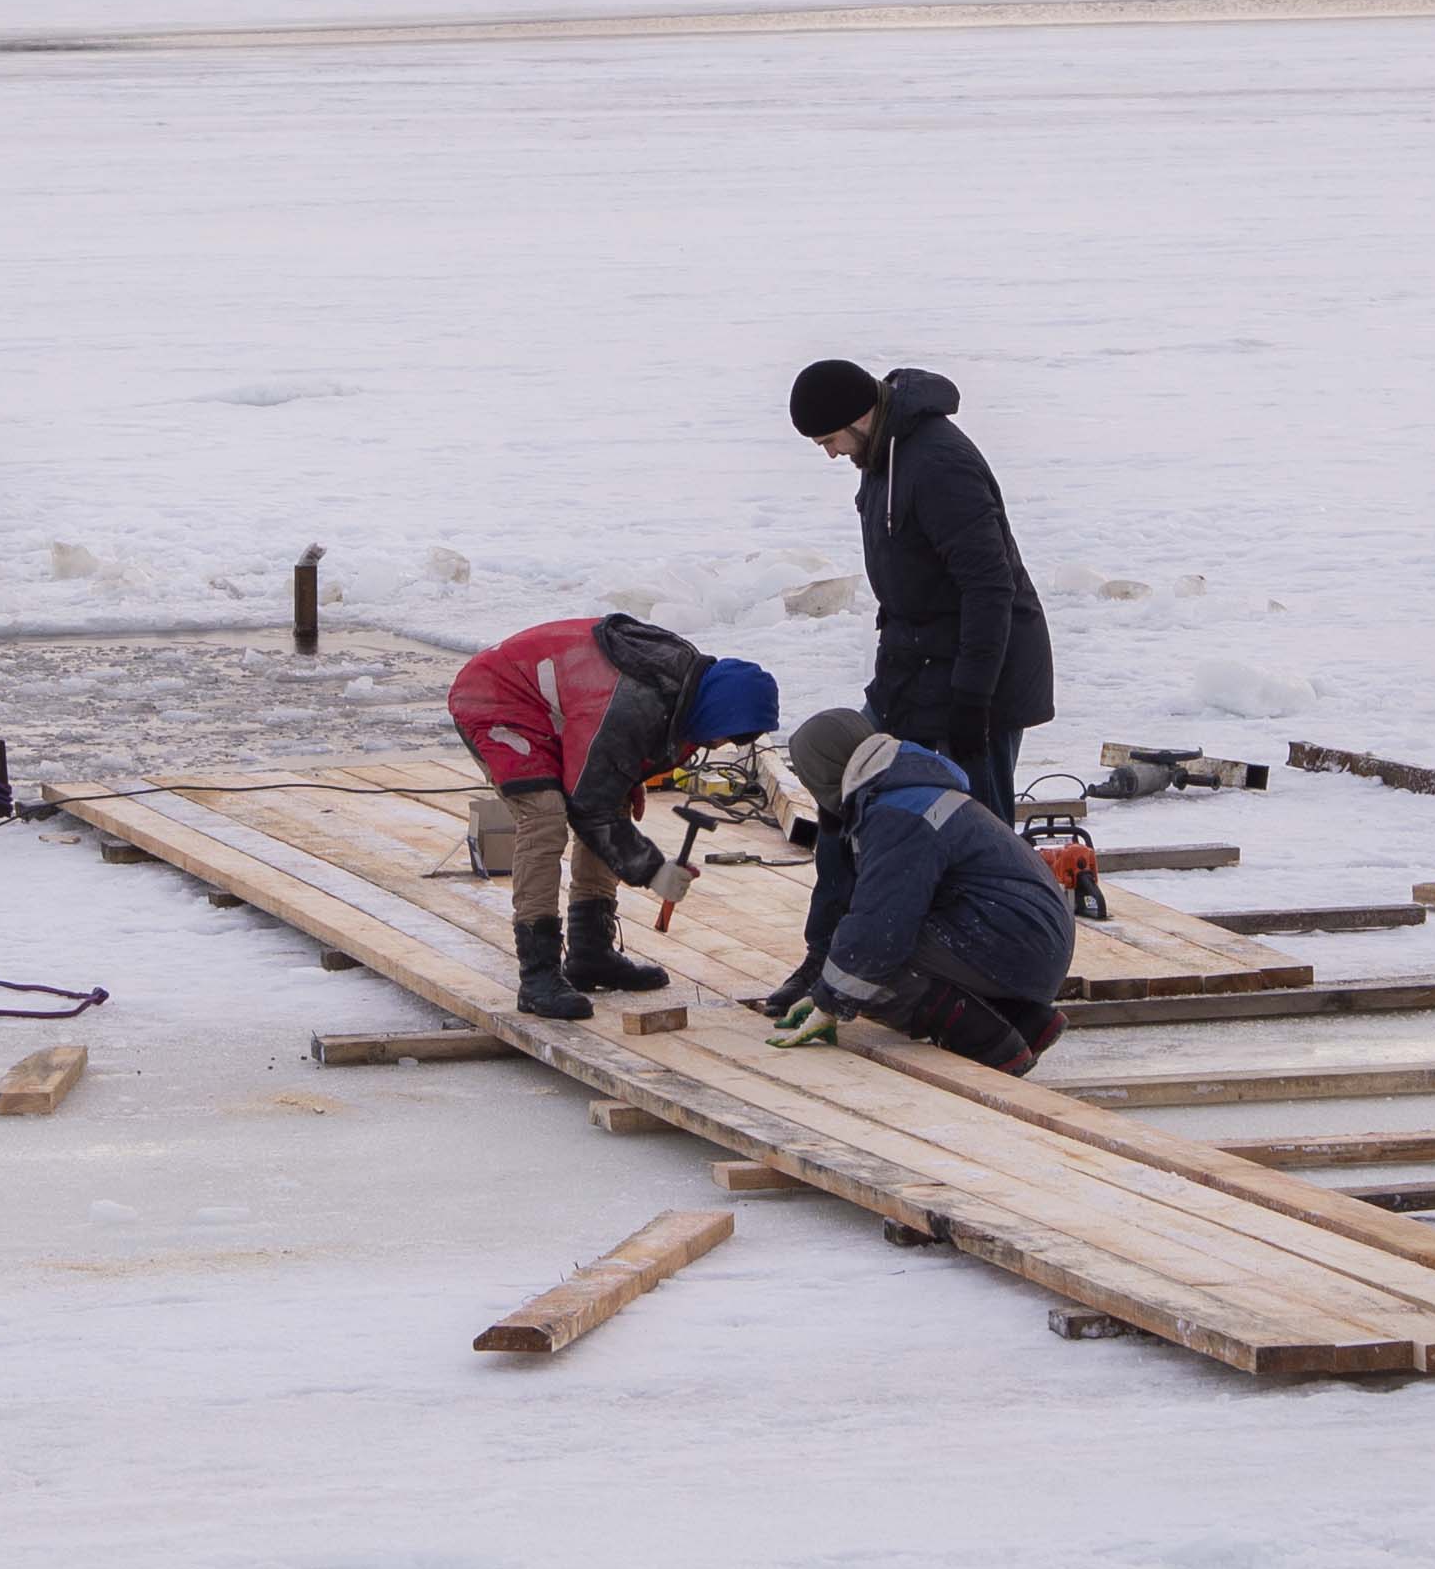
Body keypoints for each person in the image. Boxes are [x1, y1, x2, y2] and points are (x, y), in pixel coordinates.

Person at [785, 358, 1056, 990]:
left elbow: (989, 585)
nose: (828, 455)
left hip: (977, 677)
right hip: (913, 668)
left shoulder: (937, 463)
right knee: (842, 799)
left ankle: (989, 977)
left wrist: (972, 697)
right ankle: (827, 958)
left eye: (828, 440)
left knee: (975, 825)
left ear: (858, 417)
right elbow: (909, 584)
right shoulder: (881, 456)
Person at [446, 612, 781, 1025]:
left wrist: (622, 775)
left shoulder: (682, 683)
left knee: (611, 800)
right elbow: (589, 806)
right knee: (545, 816)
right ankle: (538, 975)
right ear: (717, 710)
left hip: (545, 704)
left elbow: (607, 773)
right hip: (496, 698)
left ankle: (591, 954)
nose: (720, 744)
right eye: (727, 734)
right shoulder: (635, 698)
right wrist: (655, 871)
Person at [769, 710, 1075, 1073]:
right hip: (1028, 942)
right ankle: (1026, 1020)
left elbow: (880, 928)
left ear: (823, 773)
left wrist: (829, 1000)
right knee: (868, 955)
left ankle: (992, 1046)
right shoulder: (907, 789)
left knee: (871, 968)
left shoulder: (896, 814)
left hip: (1012, 943)